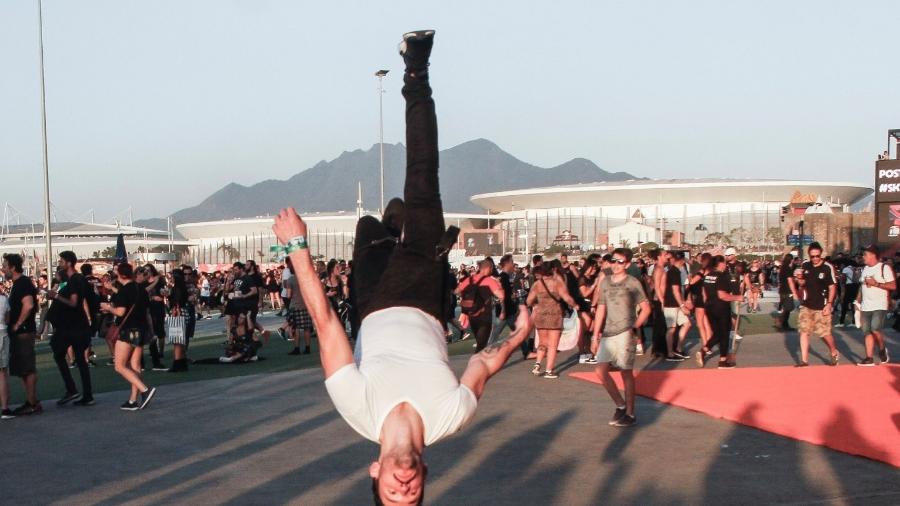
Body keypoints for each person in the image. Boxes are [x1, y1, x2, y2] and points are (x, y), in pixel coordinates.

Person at [270, 31, 534, 505]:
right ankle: (417, 71)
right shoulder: (450, 418)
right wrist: (519, 334)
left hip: (373, 295)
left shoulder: (357, 410)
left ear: (374, 472)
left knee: (371, 226)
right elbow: (482, 364)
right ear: (427, 475)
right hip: (427, 295)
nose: (404, 490)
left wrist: (297, 248)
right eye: (412, 499)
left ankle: (387, 228)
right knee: (423, 184)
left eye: (392, 498)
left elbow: (328, 326)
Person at [591, 248, 651, 427]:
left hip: (625, 332)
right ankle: (620, 404)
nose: (616, 265)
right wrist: (595, 335)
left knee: (626, 372)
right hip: (608, 333)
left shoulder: (633, 283)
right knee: (600, 371)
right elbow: (601, 308)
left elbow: (646, 307)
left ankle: (630, 414)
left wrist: (635, 326)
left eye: (620, 262)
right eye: (613, 261)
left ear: (627, 264)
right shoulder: (605, 282)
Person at [100, 263, 157, 411]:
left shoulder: (124, 291)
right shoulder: (140, 290)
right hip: (141, 329)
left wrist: (108, 308)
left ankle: (144, 390)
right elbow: (146, 312)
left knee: (119, 365)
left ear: (119, 275)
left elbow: (120, 312)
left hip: (128, 330)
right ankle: (133, 400)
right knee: (135, 366)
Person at [46, 251, 94, 406]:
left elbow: (73, 303)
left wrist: (56, 296)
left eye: (61, 261)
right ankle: (86, 394)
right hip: (77, 326)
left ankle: (73, 389)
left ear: (68, 263)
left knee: (60, 354)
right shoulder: (77, 280)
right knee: (79, 359)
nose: (59, 263)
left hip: (72, 326)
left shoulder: (74, 280)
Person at [2, 254, 41, 416]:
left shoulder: (23, 283)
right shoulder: (19, 284)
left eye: (5, 265)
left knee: (27, 367)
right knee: (23, 369)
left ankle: (32, 403)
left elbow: (29, 304)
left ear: (12, 267)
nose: (3, 269)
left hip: (23, 332)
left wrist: (18, 323)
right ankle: (31, 401)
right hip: (21, 332)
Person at [526, 260, 577, 378]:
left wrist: (537, 304)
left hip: (541, 315)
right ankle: (549, 370)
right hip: (555, 315)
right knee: (553, 345)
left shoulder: (537, 284)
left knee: (542, 342)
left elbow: (528, 301)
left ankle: (537, 364)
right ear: (553, 270)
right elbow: (567, 298)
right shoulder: (557, 283)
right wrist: (575, 305)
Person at [795, 242, 840, 367]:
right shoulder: (805, 265)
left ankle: (833, 351)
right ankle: (804, 360)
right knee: (804, 331)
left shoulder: (827, 267)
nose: (815, 259)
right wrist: (799, 279)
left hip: (822, 305)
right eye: (812, 256)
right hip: (807, 304)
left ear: (821, 255)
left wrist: (829, 304)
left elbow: (832, 287)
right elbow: (803, 282)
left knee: (824, 333)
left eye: (817, 256)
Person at [696, 255, 743, 368]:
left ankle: (704, 350)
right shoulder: (721, 276)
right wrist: (737, 297)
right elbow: (722, 295)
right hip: (721, 307)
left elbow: (704, 293)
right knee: (724, 334)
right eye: (724, 263)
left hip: (709, 307)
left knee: (717, 333)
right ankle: (722, 360)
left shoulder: (708, 276)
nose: (726, 265)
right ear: (720, 264)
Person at [856, 245, 895, 365]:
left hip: (879, 304)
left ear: (873, 255)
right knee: (867, 331)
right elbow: (861, 287)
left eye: (865, 254)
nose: (863, 257)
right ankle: (869, 358)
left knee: (875, 329)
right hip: (866, 305)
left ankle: (882, 349)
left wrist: (876, 283)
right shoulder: (865, 269)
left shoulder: (884, 267)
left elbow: (893, 286)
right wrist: (856, 302)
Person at [456, 258, 505, 352]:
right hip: (485, 314)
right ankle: (476, 364)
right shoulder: (490, 280)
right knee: (482, 345)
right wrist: (499, 286)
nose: (492, 270)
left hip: (472, 313)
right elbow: (501, 295)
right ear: (487, 268)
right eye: (491, 268)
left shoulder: (470, 279)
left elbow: (457, 291)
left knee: (480, 341)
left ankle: (482, 360)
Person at [662, 252, 691, 361]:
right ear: (682, 260)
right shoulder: (673, 272)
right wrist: (683, 305)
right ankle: (670, 353)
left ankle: (678, 349)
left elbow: (678, 291)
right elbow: (675, 291)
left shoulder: (676, 271)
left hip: (676, 303)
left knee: (687, 324)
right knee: (672, 328)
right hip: (671, 304)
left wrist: (683, 303)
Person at [284, 257, 313, 355]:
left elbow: (288, 295)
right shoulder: (306, 279)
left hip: (295, 305)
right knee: (307, 328)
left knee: (296, 328)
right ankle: (308, 348)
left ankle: (297, 348)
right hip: (306, 305)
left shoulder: (290, 280)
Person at [775, 253, 796, 331]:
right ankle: (781, 321)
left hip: (782, 290)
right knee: (788, 308)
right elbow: (790, 281)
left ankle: (784, 324)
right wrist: (794, 292)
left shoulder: (782, 268)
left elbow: (780, 280)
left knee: (786, 308)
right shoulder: (788, 269)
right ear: (791, 260)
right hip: (787, 290)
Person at [0, 287, 12, 419]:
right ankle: (4, 408)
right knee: (2, 373)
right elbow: (7, 320)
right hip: (2, 333)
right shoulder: (3, 299)